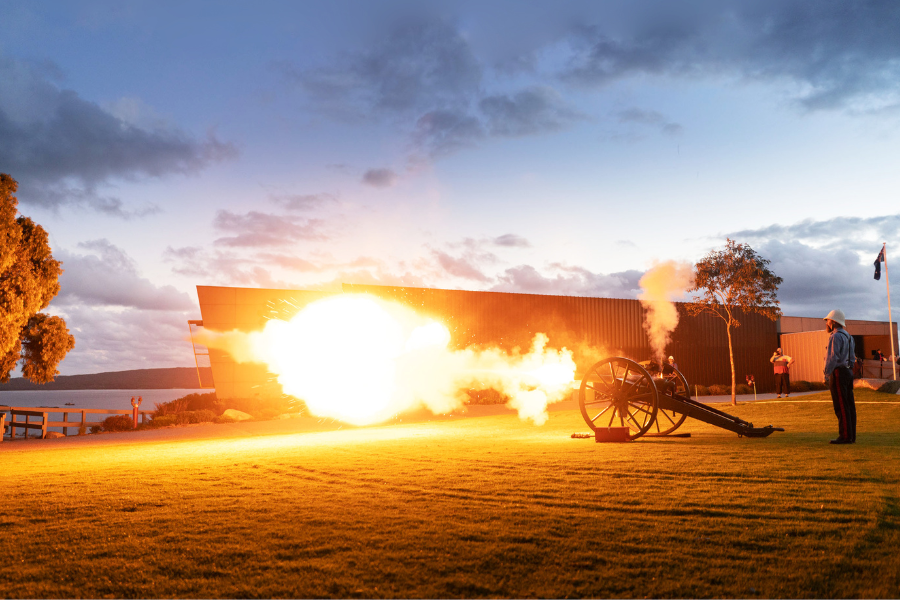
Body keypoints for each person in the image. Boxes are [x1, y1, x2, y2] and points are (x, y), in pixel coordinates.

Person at [823, 309, 856, 444]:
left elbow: (832, 358)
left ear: (833, 322)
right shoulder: (849, 336)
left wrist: (826, 374)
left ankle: (845, 436)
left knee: (841, 405)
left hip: (838, 372)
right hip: (848, 371)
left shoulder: (835, 336)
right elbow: (852, 357)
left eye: (828, 320)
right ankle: (851, 435)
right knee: (849, 405)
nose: (826, 323)